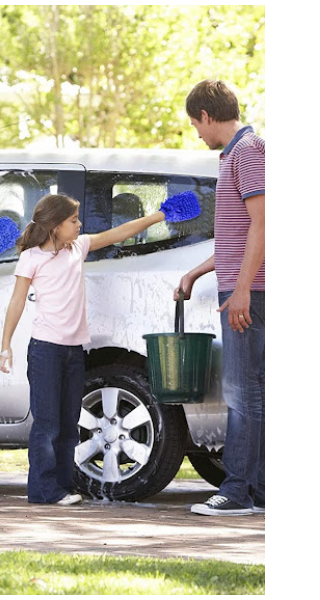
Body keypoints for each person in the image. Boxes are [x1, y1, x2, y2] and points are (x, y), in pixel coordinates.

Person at [0, 194, 172, 506]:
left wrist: (159, 216)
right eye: (73, 221)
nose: (79, 225)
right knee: (47, 424)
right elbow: (17, 301)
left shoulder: (78, 248)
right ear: (55, 226)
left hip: (73, 351)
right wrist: (5, 345)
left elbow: (120, 233)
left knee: (68, 424)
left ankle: (61, 488)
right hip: (45, 351)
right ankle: (41, 490)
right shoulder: (32, 258)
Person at [178, 80, 265, 517]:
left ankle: (235, 493)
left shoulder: (247, 152)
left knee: (242, 392)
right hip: (242, 284)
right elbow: (235, 237)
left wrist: (244, 289)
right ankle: (258, 489)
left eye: (195, 123)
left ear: (208, 116)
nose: (196, 132)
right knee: (254, 392)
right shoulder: (234, 153)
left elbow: (261, 225)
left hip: (251, 291)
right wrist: (197, 270)